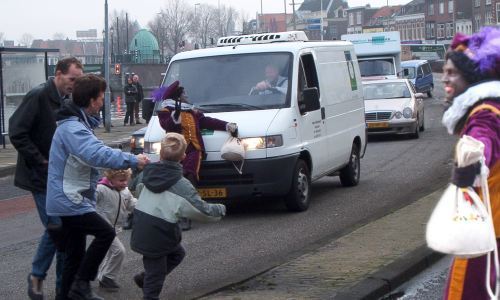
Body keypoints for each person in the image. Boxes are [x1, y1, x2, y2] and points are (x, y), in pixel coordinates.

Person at [46, 74, 150, 300]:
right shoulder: (73, 128)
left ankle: (68, 294)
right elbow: (96, 154)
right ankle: (82, 285)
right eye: (102, 96)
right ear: (92, 100)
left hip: (69, 199)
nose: (104, 101)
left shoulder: (77, 124)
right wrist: (132, 159)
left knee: (74, 256)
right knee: (105, 233)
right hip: (70, 200)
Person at [8, 56, 84, 300]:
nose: (75, 84)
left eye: (79, 80)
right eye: (73, 79)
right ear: (58, 74)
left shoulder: (67, 100)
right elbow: (17, 131)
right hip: (39, 176)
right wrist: (40, 159)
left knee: (65, 230)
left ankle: (64, 287)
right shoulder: (39, 95)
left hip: (60, 176)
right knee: (57, 227)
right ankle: (37, 275)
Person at [441, 27, 500, 299]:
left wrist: (472, 159)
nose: (445, 78)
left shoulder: (485, 113)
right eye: (445, 71)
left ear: (471, 78)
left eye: (452, 73)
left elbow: (483, 139)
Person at [130, 132, 226, 300]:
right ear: (183, 156)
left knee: (176, 254)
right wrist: (220, 208)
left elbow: (133, 187)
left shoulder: (147, 174)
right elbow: (201, 210)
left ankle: (144, 279)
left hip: (144, 228)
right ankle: (149, 290)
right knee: (156, 275)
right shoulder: (181, 185)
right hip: (159, 233)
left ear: (160, 153)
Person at [155, 81, 237, 230]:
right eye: (184, 94)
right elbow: (167, 126)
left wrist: (226, 125)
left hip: (194, 150)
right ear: (177, 97)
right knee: (175, 180)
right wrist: (175, 117)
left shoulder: (192, 111)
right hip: (176, 151)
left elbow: (207, 121)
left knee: (189, 177)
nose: (187, 96)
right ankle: (176, 213)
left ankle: (187, 215)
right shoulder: (166, 111)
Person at [95, 168, 137, 292]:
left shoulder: (125, 191)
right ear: (110, 178)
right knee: (119, 251)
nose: (124, 183)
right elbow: (90, 202)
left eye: (126, 180)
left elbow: (131, 204)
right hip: (103, 228)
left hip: (115, 228)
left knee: (111, 253)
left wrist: (143, 206)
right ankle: (107, 277)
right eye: (121, 180)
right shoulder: (101, 189)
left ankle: (103, 276)